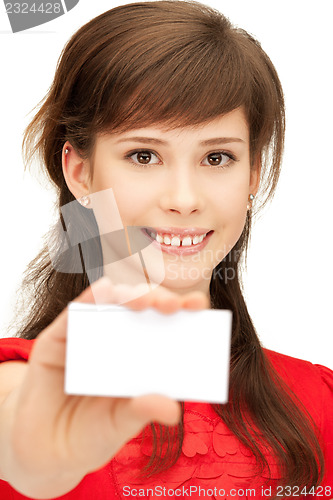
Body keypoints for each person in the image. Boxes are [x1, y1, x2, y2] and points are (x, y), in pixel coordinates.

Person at [0, 0, 332, 498]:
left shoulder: (319, 402)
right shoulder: (20, 379)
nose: (183, 199)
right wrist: (34, 450)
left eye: (217, 157)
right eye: (144, 155)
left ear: (254, 173)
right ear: (79, 171)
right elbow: (19, 430)